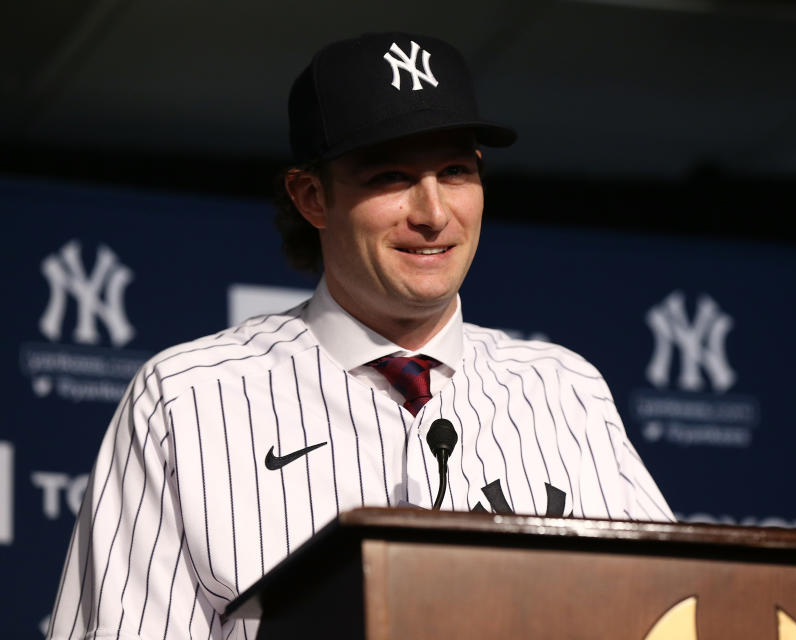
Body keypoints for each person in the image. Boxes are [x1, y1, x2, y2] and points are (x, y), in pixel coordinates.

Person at [46, 32, 673, 640]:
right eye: (391, 177)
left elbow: (678, 609)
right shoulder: (188, 396)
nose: (432, 213)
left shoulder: (565, 389)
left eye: (455, 171)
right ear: (312, 196)